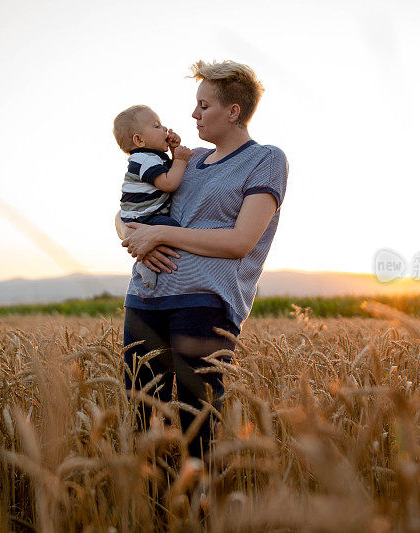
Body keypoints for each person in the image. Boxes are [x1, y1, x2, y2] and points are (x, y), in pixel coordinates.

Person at [116, 59, 288, 461]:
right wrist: (136, 235)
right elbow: (126, 211)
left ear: (234, 111)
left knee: (199, 422)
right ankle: (152, 515)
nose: (193, 114)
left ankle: (198, 514)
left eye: (204, 105)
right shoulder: (183, 161)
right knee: (143, 424)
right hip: (144, 299)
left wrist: (161, 233)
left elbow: (241, 241)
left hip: (204, 304)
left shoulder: (265, 159)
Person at [112, 105, 194, 289]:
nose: (164, 129)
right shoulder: (143, 159)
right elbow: (169, 183)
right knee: (173, 229)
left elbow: (170, 173)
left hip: (143, 215)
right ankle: (144, 262)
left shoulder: (153, 157)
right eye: (156, 126)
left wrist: (175, 151)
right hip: (143, 218)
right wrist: (181, 160)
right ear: (139, 140)